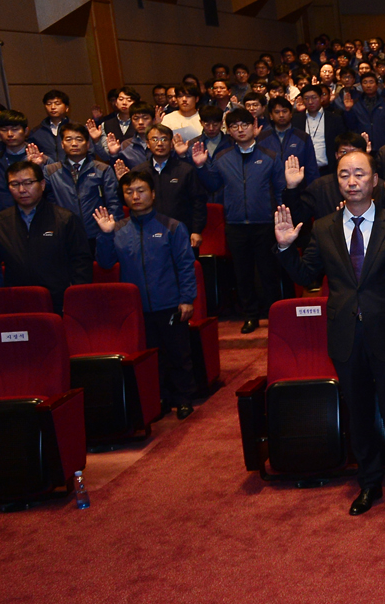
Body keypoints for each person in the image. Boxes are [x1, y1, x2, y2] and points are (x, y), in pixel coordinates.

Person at [275, 150, 385, 516]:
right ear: (337, 181)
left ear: (375, 181)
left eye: (360, 174)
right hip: (344, 333)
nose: (352, 181)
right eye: (345, 175)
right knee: (357, 414)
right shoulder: (324, 227)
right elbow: (307, 276)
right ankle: (369, 483)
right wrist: (284, 247)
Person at [93, 170, 198, 420]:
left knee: (178, 354)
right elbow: (105, 263)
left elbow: (185, 265)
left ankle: (184, 399)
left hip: (170, 303)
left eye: (140, 190)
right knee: (150, 358)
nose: (135, 196)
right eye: (129, 192)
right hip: (136, 308)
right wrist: (105, 234)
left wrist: (187, 299)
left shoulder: (172, 226)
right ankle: (159, 400)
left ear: (152, 193)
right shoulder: (118, 229)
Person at [192, 108, 286, 333]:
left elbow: (280, 190)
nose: (240, 129)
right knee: (242, 274)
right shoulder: (223, 158)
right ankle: (250, 316)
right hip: (235, 225)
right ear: (229, 131)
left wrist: (282, 219)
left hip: (264, 223)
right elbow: (213, 186)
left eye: (244, 124)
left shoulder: (270, 156)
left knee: (267, 272)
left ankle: (276, 315)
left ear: (254, 126)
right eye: (234, 126)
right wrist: (201, 166)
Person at [0, 160, 92, 313]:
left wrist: (74, 300)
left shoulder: (65, 219)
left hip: (57, 302)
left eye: (28, 183)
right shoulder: (0, 222)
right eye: (14, 184)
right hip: (17, 301)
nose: (22, 190)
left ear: (42, 185)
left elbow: (81, 264)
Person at [129, 125, 207, 249]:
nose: (160, 143)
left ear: (171, 144)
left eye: (164, 139)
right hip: (148, 232)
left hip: (181, 231)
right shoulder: (139, 172)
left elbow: (198, 202)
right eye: (154, 140)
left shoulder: (185, 170)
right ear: (148, 144)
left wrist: (196, 230)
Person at [45, 122, 123, 245]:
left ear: (87, 145)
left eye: (79, 140)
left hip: (98, 233)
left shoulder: (103, 170)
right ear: (62, 144)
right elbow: (48, 204)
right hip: (65, 235)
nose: (74, 144)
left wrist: (113, 230)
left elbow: (114, 203)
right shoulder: (51, 171)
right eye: (69, 139)